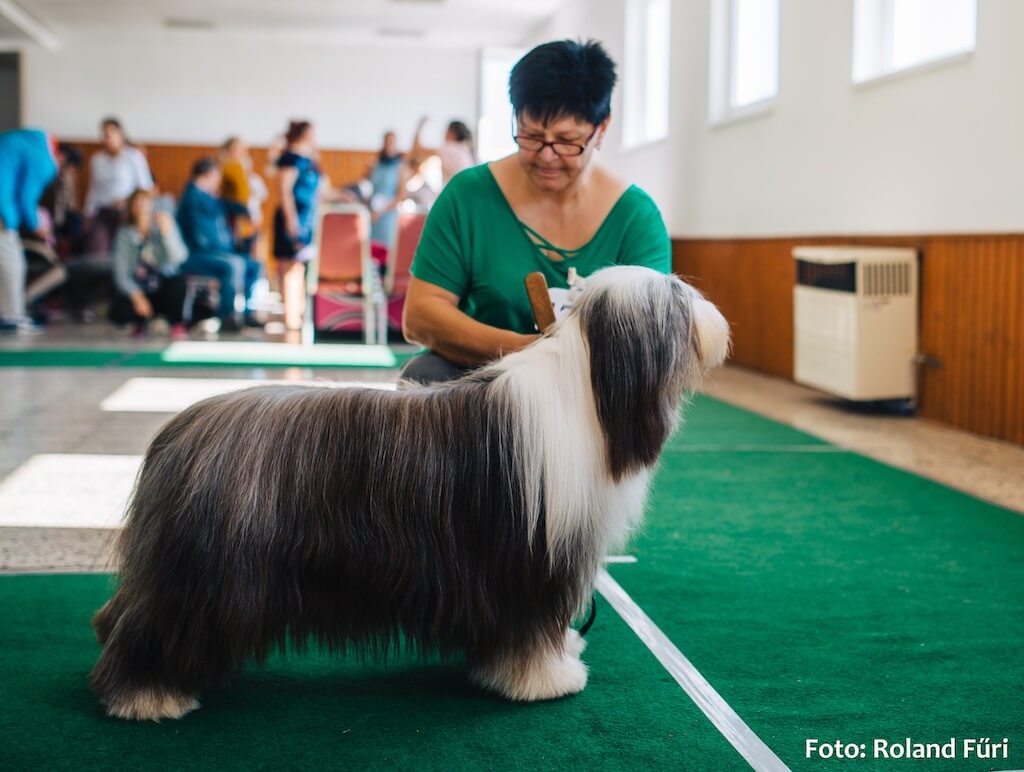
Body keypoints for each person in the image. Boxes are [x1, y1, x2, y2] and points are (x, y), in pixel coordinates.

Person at [401, 39, 671, 384]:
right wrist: (529, 352)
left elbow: (650, 340)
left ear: (601, 128)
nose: (546, 156)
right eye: (531, 136)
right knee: (424, 374)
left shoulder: (635, 218)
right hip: (484, 383)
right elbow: (421, 315)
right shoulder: (467, 196)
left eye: (566, 141)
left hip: (594, 389)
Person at [272, 120, 351, 330]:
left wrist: (344, 196)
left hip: (309, 218)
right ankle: (290, 316)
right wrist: (291, 220)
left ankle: (299, 311)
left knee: (304, 264)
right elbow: (285, 190)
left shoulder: (311, 161)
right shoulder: (290, 159)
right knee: (291, 265)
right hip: (294, 216)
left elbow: (323, 191)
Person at [177, 157, 261, 332]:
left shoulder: (209, 197)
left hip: (217, 252)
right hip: (197, 254)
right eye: (216, 177)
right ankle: (227, 316)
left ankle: (248, 313)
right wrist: (227, 250)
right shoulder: (192, 197)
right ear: (207, 174)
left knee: (254, 266)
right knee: (234, 265)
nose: (218, 182)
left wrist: (245, 210)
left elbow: (226, 206)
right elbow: (202, 237)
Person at [0, 128, 59, 334]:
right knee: (12, 264)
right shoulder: (44, 159)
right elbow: (27, 197)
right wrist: (38, 227)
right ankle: (12, 316)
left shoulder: (15, 141)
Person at [110, 188, 188, 339]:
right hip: (139, 288)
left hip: (161, 286)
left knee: (179, 283)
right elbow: (120, 274)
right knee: (120, 306)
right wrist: (137, 297)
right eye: (136, 204)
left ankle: (174, 323)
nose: (141, 207)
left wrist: (168, 235)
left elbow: (179, 259)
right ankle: (140, 323)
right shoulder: (124, 235)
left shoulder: (163, 227)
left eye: (145, 203)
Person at [84, 117, 153, 256]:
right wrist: (87, 213)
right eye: (105, 134)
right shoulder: (97, 160)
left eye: (111, 133)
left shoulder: (134, 157)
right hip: (103, 212)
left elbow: (145, 188)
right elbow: (93, 189)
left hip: (127, 213)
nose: (108, 137)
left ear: (121, 134)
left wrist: (128, 202)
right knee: (97, 250)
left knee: (124, 250)